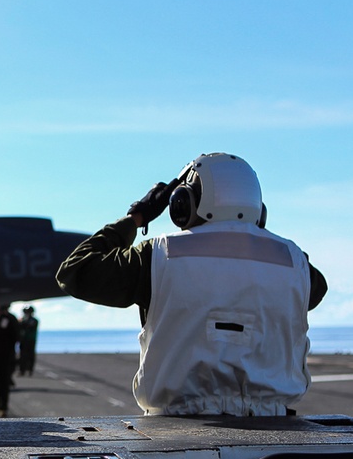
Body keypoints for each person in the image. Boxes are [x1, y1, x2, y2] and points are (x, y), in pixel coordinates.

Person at [56, 152, 328, 417]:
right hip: (274, 425)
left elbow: (75, 271)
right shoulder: (295, 263)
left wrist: (137, 218)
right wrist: (251, 229)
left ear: (183, 203)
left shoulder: (159, 255)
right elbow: (316, 291)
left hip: (177, 424)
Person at [18, 305, 39, 376]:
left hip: (31, 340)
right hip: (23, 340)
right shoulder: (21, 320)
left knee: (30, 355)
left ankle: (30, 369)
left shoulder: (34, 320)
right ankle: (22, 370)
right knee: (22, 355)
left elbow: (29, 327)